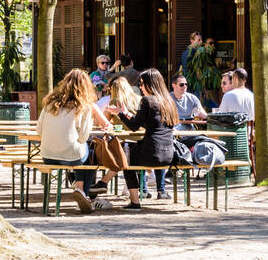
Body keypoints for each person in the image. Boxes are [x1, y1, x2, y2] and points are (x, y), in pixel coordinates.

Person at [36, 69, 114, 213]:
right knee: (90, 152)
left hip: (47, 155)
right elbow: (83, 137)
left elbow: (39, 130)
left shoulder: (49, 103)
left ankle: (80, 189)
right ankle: (82, 191)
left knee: (81, 152)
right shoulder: (83, 106)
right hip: (70, 156)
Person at [105, 68, 178, 208]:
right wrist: (125, 113)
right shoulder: (168, 101)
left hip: (152, 153)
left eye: (142, 83)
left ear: (150, 84)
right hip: (169, 153)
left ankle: (135, 202)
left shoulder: (147, 100)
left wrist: (120, 114)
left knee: (126, 160)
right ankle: (145, 193)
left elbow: (133, 126)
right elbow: (146, 122)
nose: (140, 86)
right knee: (130, 154)